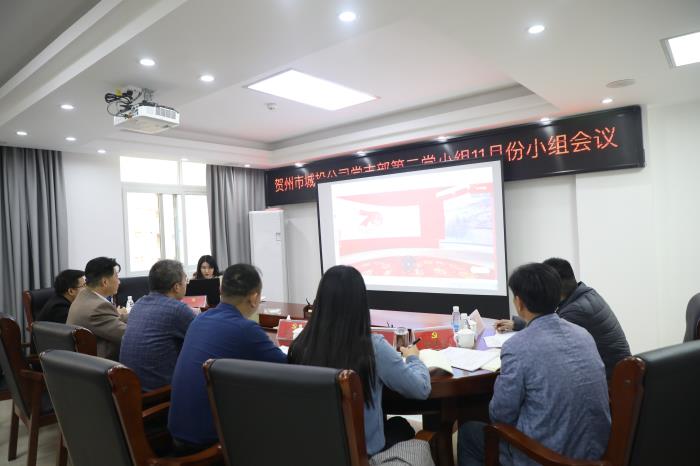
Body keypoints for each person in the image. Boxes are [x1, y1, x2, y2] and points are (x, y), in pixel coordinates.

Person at [459, 263, 610, 466]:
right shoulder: (583, 335)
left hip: (547, 458)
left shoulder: (517, 346)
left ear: (519, 302)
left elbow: (500, 415)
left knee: (468, 432)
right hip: (595, 453)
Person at [288, 265, 431, 457]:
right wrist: (413, 357)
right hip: (362, 454)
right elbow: (421, 389)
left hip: (315, 452)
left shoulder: (299, 346)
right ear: (360, 304)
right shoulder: (373, 347)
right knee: (401, 425)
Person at [168, 263, 286, 452]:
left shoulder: (199, 319)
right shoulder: (245, 329)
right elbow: (287, 370)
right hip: (210, 442)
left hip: (176, 431)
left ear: (220, 291)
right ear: (254, 298)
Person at [495, 257, 630, 379]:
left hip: (610, 379)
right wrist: (518, 323)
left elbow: (546, 338)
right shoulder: (585, 294)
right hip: (618, 371)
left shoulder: (575, 310)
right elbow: (548, 324)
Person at [119, 260, 196, 391]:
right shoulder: (178, 309)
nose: (186, 284)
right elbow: (204, 337)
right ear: (177, 287)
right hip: (158, 393)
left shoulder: (139, 304)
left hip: (130, 390)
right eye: (185, 280)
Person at [67, 257, 127, 360]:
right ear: (105, 282)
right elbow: (128, 335)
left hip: (80, 360)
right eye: (117, 277)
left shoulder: (84, 295)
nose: (119, 282)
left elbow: (114, 319)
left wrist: (139, 315)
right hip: (101, 364)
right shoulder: (97, 308)